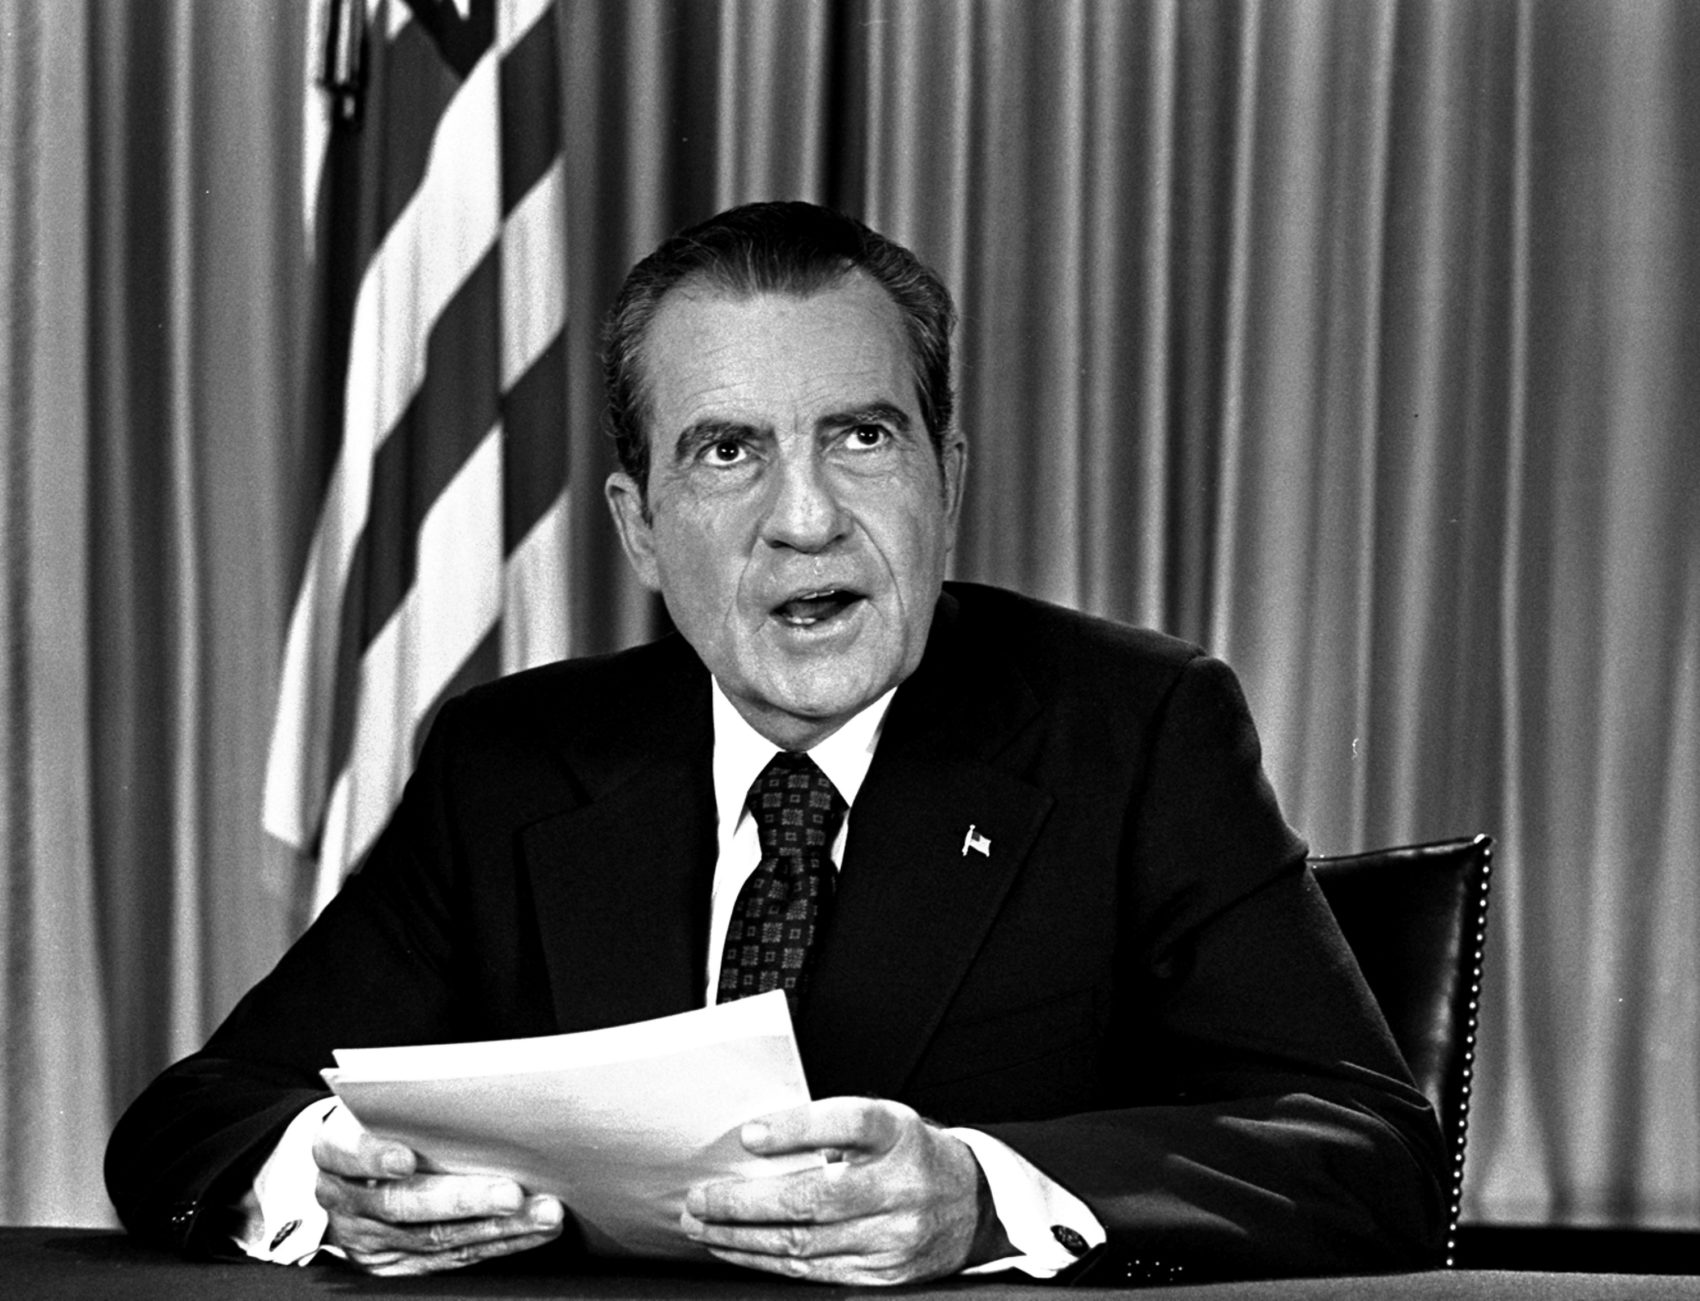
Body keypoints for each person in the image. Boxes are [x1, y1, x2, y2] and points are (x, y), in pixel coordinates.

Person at [105, 201, 1446, 1286]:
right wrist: (337, 1176)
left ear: (946, 474)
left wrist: (982, 1193)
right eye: (730, 451)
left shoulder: (1137, 729)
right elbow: (200, 1112)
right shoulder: (513, 760)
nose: (805, 516)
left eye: (863, 436)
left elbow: (1365, 1148)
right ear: (639, 524)